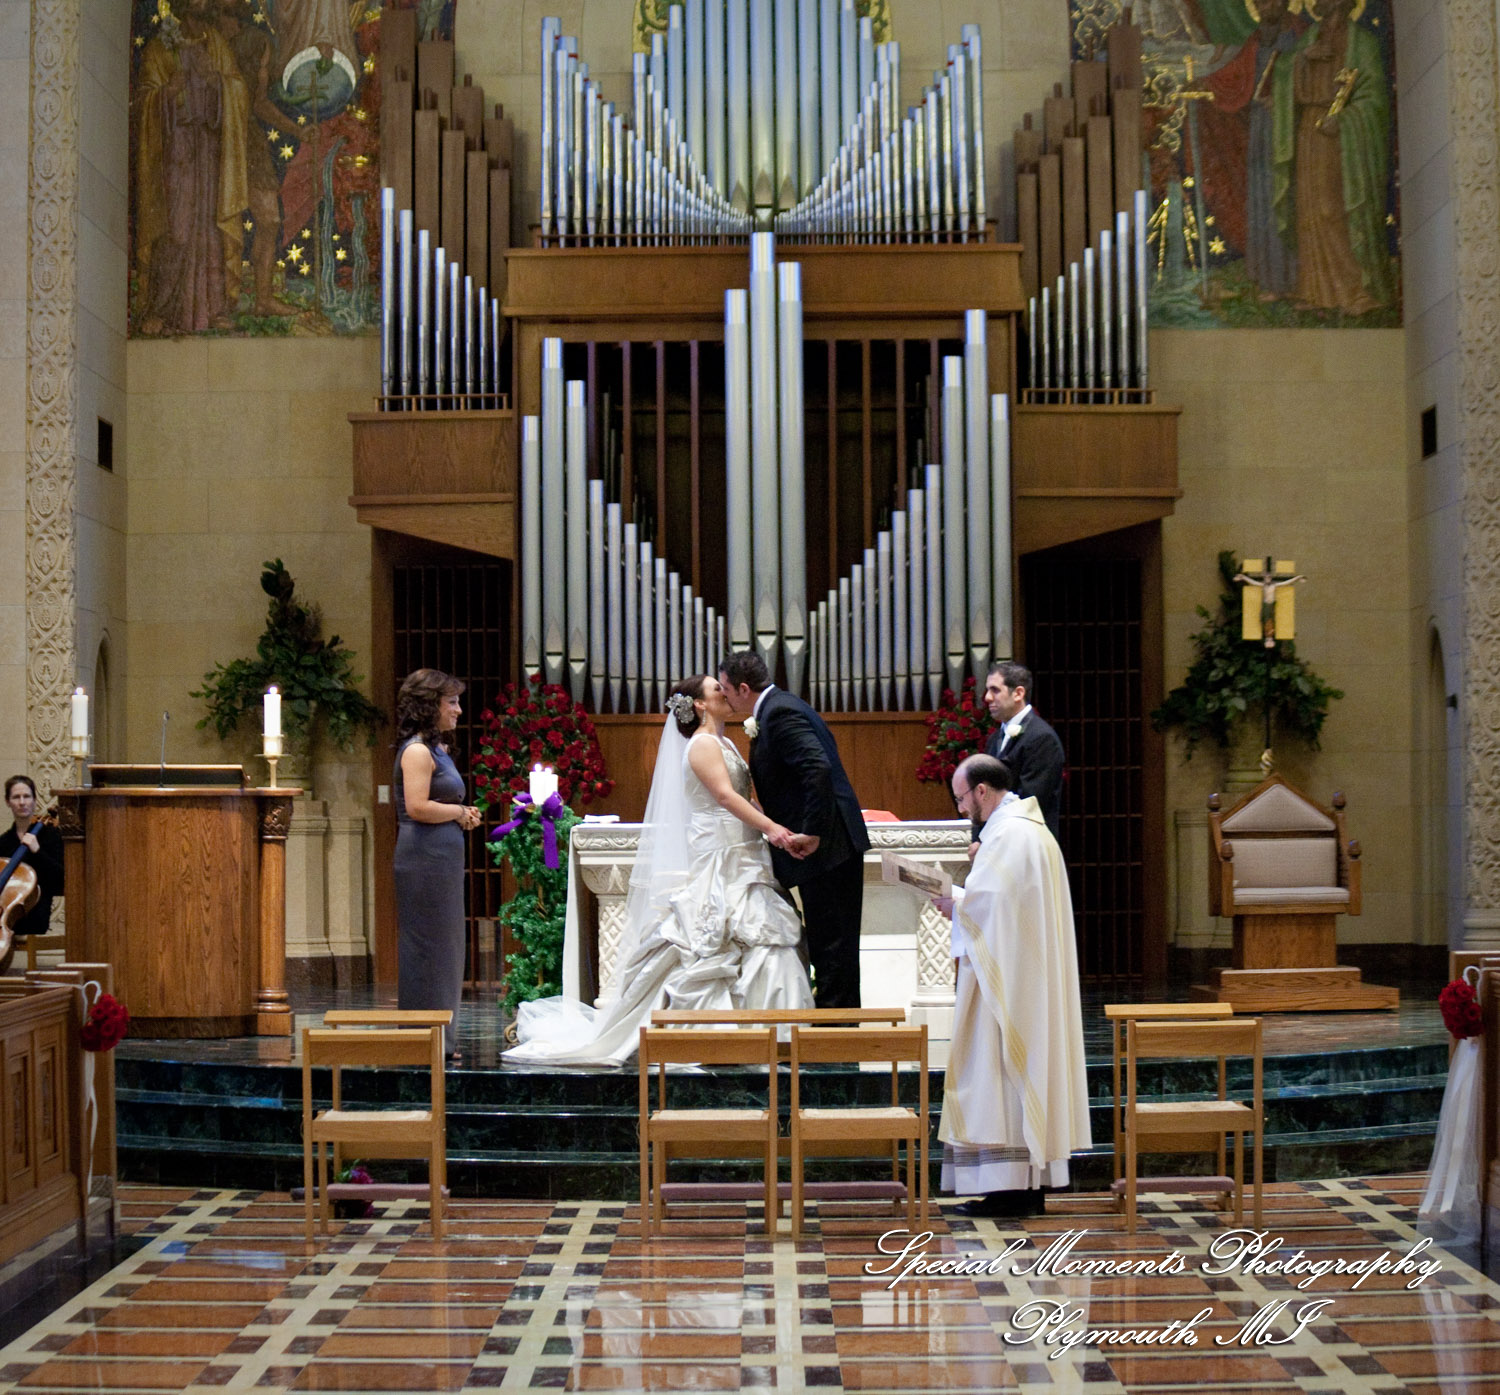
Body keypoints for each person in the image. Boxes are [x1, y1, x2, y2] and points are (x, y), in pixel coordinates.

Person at [504, 676, 813, 1067]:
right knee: (713, 940)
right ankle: (724, 1037)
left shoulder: (728, 742)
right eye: (716, 689)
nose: (725, 693)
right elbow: (723, 796)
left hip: (746, 853)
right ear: (699, 704)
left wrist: (776, 829)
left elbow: (746, 798)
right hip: (721, 854)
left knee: (766, 937)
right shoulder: (701, 744)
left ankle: (777, 1035)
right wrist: (773, 830)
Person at [935, 755, 1090, 1218]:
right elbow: (1006, 904)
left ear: (982, 791)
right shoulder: (1029, 831)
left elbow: (992, 906)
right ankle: (1025, 1188)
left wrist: (955, 903)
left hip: (1005, 984)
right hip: (1021, 974)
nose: (961, 808)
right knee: (1013, 1074)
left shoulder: (1008, 835)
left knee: (996, 1074)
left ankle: (1007, 1190)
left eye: (962, 798)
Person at [718, 651, 870, 1010]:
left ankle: (838, 1033)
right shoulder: (779, 707)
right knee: (829, 944)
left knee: (833, 947)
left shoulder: (779, 712)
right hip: (827, 850)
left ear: (743, 689)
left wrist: (812, 831)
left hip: (828, 849)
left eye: (726, 689)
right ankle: (837, 1027)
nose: (724, 696)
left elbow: (817, 767)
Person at [393, 669, 481, 1060]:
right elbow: (417, 807)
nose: (458, 710)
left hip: (440, 858)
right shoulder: (417, 751)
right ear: (430, 705)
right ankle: (422, 1039)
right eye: (452, 702)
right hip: (423, 860)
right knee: (428, 948)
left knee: (447, 948)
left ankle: (441, 1039)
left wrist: (461, 814)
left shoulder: (438, 749)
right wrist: (459, 812)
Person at [983, 661, 1065, 840]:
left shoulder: (1042, 738)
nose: (987, 697)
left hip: (1027, 842)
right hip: (997, 838)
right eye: (988, 690)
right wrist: (979, 839)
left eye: (995, 690)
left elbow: (1030, 802)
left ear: (1018, 693)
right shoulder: (994, 739)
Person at [0, 776, 64, 975]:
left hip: (34, 912)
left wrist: (37, 851)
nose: (22, 802)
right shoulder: (3, 842)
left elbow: (61, 880)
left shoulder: (50, 837)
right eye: (16, 797)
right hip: (5, 913)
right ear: (8, 802)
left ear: (35, 800)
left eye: (27, 796)